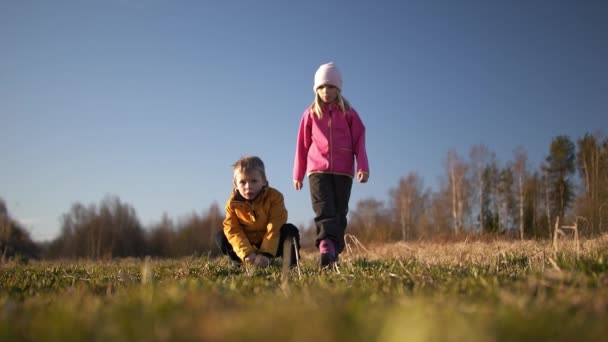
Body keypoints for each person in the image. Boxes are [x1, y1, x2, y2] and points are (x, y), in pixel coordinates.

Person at [293, 62, 369, 267]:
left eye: (331, 87)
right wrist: (298, 173)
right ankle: (325, 246)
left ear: (339, 89)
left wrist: (362, 166)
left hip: (344, 172)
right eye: (322, 87)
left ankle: (334, 250)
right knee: (323, 210)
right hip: (317, 170)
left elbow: (359, 141)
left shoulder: (349, 113)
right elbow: (302, 144)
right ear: (316, 89)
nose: (326, 91)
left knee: (339, 213)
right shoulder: (310, 114)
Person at [216, 156, 300, 268]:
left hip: (271, 241)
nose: (248, 186)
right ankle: (240, 264)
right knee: (221, 236)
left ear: (264, 181)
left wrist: (266, 253)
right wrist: (247, 253)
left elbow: (275, 225)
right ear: (235, 184)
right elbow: (233, 230)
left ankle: (290, 266)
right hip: (247, 242)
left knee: (290, 230)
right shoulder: (232, 204)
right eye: (242, 182)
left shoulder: (275, 197)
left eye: (254, 181)